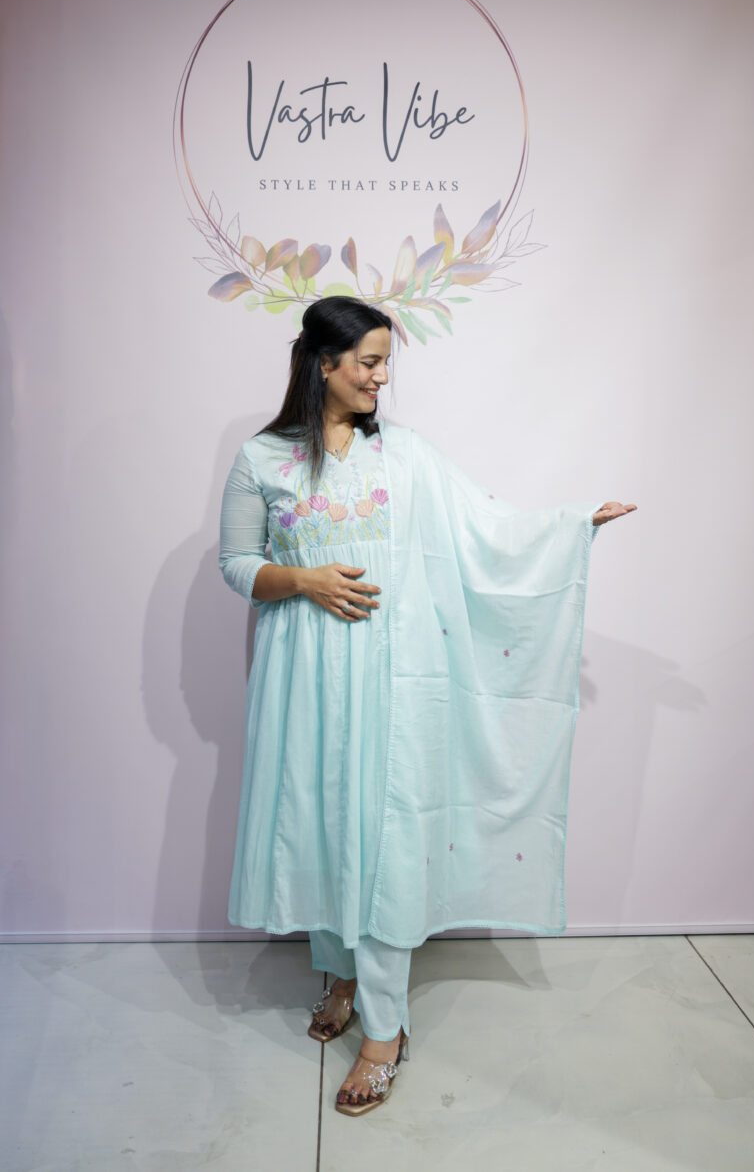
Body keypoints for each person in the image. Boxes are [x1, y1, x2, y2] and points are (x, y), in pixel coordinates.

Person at [218, 296, 636, 1115]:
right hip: (302, 676)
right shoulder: (263, 457)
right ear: (324, 363)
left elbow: (488, 528)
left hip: (392, 679)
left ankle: (385, 1029)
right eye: (369, 361)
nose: (382, 378)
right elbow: (236, 563)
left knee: (381, 841)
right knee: (319, 823)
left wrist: (571, 525)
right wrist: (303, 579)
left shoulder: (405, 457)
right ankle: (339, 974)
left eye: (386, 363)